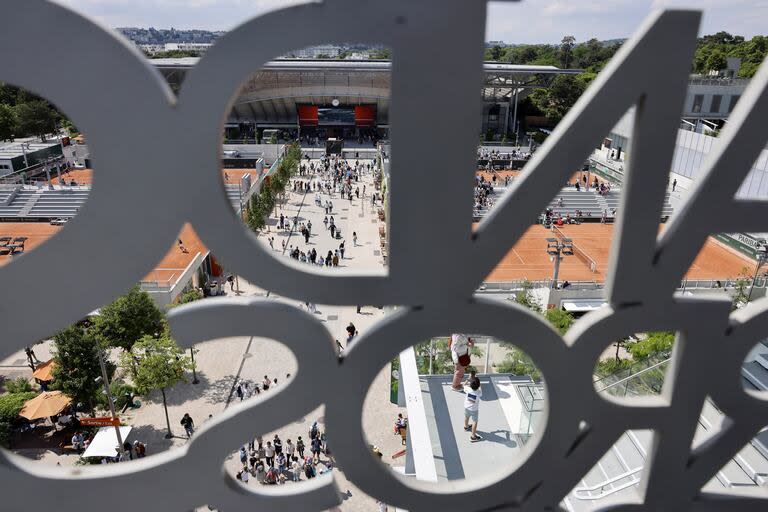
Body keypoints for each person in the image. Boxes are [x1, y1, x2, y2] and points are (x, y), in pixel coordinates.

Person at [463, 377, 482, 441]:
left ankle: (466, 427)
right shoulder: (479, 392)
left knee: (466, 416)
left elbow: (464, 385)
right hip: (474, 410)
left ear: (470, 384)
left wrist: (468, 379)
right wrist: (479, 384)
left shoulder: (468, 389)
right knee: (475, 421)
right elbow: (479, 388)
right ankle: (473, 436)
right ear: (478, 385)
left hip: (466, 407)